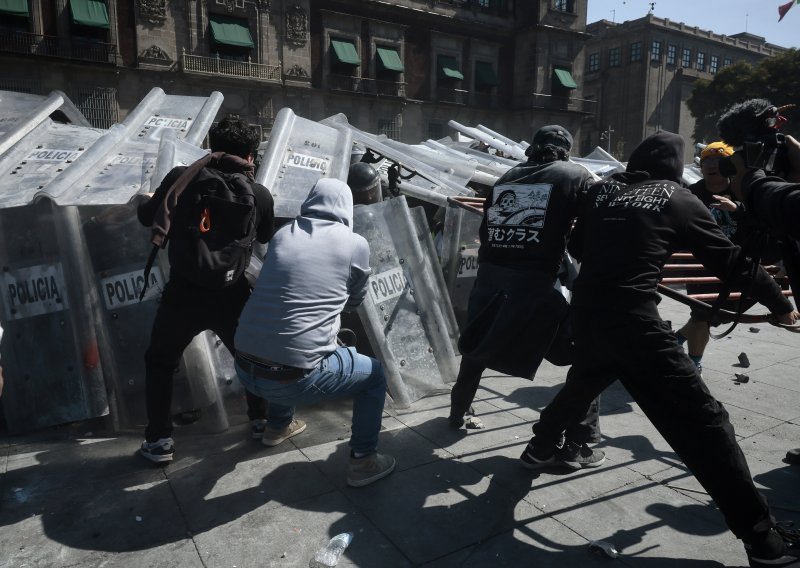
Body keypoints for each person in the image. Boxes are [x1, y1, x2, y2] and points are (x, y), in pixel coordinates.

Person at [520, 131, 800, 568]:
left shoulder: (604, 192)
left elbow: (576, 246)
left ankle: (539, 447)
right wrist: (780, 304)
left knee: (583, 382)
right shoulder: (676, 196)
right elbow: (728, 260)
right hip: (633, 322)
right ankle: (764, 541)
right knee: (706, 425)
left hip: (588, 314)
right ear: (675, 165)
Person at [449, 125, 604, 468]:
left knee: (474, 350)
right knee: (590, 356)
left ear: (533, 149)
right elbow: (599, 215)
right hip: (534, 292)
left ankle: (457, 411)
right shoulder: (573, 174)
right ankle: (579, 443)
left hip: (489, 286)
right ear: (565, 151)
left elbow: (486, 230)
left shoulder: (506, 177)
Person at [234, 178, 395, 488]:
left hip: (244, 368)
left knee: (287, 336)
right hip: (290, 379)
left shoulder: (284, 235)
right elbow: (356, 300)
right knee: (374, 375)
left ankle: (277, 427)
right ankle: (363, 461)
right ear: (346, 206)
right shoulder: (355, 244)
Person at [137, 116, 274, 463]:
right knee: (250, 357)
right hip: (232, 292)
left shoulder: (181, 178)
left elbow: (146, 216)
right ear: (251, 157)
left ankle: (159, 441)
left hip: (184, 292)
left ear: (212, 147)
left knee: (160, 360)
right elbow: (264, 236)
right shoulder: (257, 193)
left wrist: (151, 197)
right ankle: (261, 420)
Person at [675, 142, 754, 373]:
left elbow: (761, 218)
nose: (711, 165)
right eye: (706, 160)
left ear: (729, 165)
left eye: (718, 160)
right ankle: (694, 364)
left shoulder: (743, 190)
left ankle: (678, 337)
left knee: (719, 314)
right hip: (701, 265)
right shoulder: (691, 193)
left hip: (736, 263)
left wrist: (738, 208)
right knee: (703, 313)